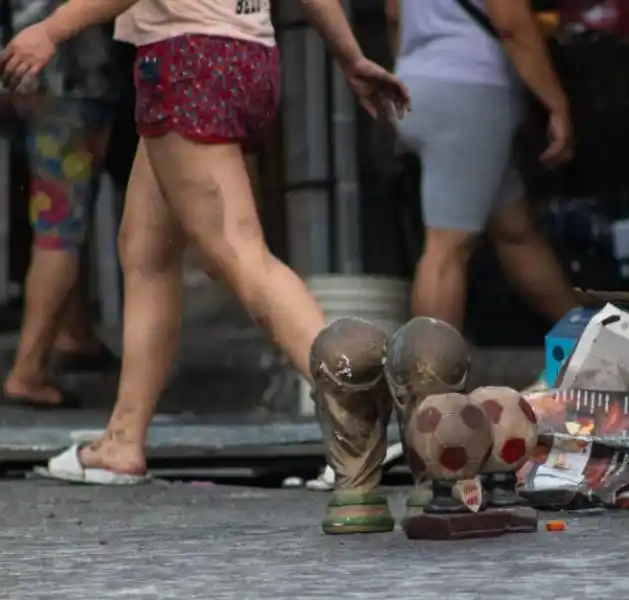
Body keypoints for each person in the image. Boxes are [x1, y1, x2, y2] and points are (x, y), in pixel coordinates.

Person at [1, 0, 409, 481]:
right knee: (145, 250)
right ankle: (122, 440)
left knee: (240, 252)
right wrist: (349, 55)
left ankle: (360, 421)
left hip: (188, 60)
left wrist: (51, 29)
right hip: (244, 55)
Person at [386, 0, 579, 332]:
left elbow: (393, 14)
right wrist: (557, 103)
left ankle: (584, 336)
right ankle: (429, 377)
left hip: (416, 82)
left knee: (515, 232)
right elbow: (511, 23)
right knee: (447, 249)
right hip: (470, 88)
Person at [0, 1, 122, 409]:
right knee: (61, 226)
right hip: (69, 77)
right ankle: (28, 371)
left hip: (31, 76)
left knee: (64, 213)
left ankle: (75, 334)